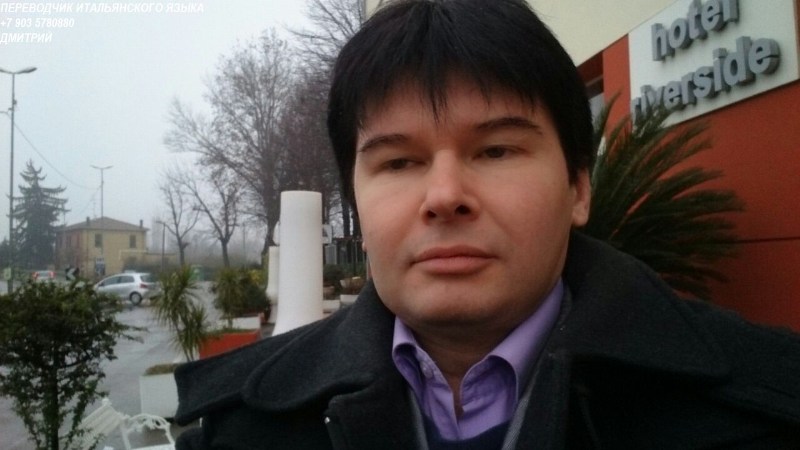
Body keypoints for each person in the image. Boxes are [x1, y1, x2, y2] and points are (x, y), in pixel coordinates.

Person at [173, 0, 800, 448]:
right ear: (357, 205)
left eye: (496, 150)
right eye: (399, 162)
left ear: (578, 187)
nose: (445, 196)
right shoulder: (239, 426)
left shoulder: (766, 405)